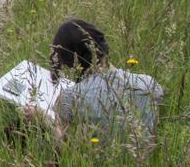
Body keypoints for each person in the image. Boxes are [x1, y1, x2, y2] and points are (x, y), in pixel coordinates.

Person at [45, 19, 163, 147]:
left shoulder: (70, 98)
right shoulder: (150, 85)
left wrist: (42, 119)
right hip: (145, 164)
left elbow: (63, 149)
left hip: (96, 165)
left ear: (70, 63)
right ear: (103, 45)